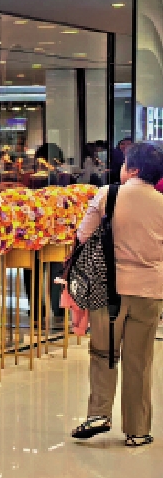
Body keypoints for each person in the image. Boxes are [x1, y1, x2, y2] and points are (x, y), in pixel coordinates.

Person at [71, 142, 163, 447]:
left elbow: (83, 235)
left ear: (132, 169)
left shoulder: (108, 195)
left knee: (103, 353)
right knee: (139, 361)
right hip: (149, 291)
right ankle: (138, 430)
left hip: (108, 290)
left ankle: (99, 414)